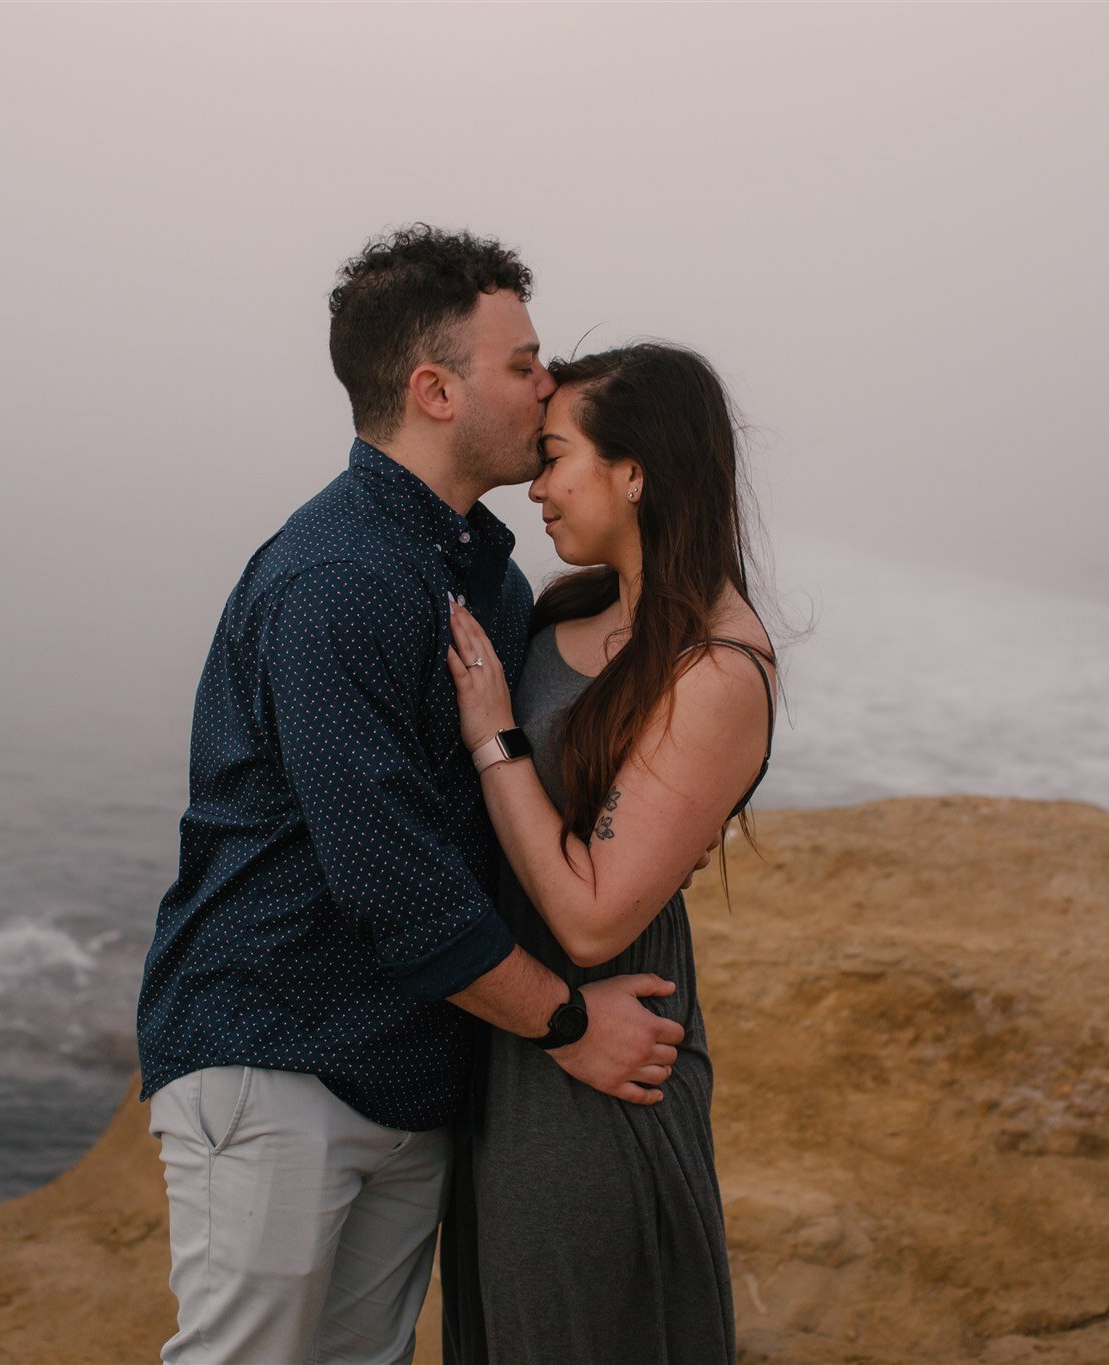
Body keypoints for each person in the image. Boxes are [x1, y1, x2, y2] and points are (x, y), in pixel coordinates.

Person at [133, 227, 691, 1365]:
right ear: (433, 390)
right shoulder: (337, 578)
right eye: (523, 363)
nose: (546, 387)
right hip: (277, 1048)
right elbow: (391, 880)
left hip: (410, 1065)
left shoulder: (481, 563)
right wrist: (573, 1025)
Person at [439, 343, 777, 1365]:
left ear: (634, 471)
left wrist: (493, 739)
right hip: (513, 1023)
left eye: (554, 457)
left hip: (607, 1049)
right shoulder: (572, 610)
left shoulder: (715, 666)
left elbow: (592, 912)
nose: (535, 488)